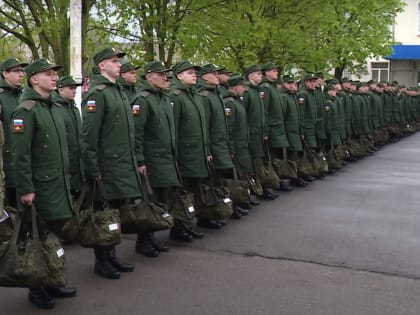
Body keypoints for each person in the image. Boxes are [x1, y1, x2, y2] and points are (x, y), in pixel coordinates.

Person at [11, 59, 76, 309]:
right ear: (34, 79)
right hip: (38, 189)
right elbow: (20, 155)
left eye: (54, 74)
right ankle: (36, 288)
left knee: (52, 236)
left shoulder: (53, 108)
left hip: (56, 184)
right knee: (36, 238)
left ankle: (52, 279)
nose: (54, 78)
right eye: (48, 74)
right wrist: (25, 189)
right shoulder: (26, 111)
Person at [81, 47, 141, 279]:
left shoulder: (118, 91)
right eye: (114, 61)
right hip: (106, 167)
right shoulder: (98, 93)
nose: (119, 65)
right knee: (102, 214)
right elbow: (88, 137)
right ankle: (101, 260)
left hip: (121, 165)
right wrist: (93, 169)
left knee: (114, 214)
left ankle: (112, 254)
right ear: (102, 66)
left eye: (119, 61)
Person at [132, 61, 200, 252]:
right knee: (150, 202)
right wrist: (140, 160)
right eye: (160, 74)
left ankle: (153, 237)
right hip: (152, 160)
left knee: (162, 199)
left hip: (166, 158)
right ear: (149, 76)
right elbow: (137, 133)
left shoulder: (163, 98)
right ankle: (143, 240)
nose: (165, 78)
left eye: (166, 75)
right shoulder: (143, 100)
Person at [169, 61, 217, 229]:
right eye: (189, 72)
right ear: (179, 75)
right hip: (185, 154)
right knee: (184, 192)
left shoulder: (196, 95)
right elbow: (173, 129)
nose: (194, 75)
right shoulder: (175, 96)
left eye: (194, 73)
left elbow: (203, 128)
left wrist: (207, 150)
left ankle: (193, 222)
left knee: (197, 189)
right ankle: (181, 227)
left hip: (198, 153)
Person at [242, 64, 278, 199]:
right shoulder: (247, 91)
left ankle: (259, 187)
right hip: (251, 134)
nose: (260, 76)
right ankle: (253, 190)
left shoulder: (256, 90)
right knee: (252, 163)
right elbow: (244, 115)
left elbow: (262, 114)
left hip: (259, 133)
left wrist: (265, 132)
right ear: (250, 75)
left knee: (258, 162)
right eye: (258, 74)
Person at [0, 58, 28, 207]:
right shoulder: (2, 97)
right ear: (5, 73)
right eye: (17, 71)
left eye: (22, 71)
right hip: (7, 164)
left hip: (23, 164)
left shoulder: (22, 96)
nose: (21, 74)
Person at [260, 62, 292, 192]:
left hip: (278, 128)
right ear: (266, 72)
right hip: (271, 129)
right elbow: (265, 111)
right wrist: (266, 131)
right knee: (270, 156)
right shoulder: (266, 88)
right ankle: (269, 184)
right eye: (273, 71)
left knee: (277, 155)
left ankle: (276, 180)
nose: (276, 73)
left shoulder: (273, 88)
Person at [52, 76, 84, 199]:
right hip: (65, 161)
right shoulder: (55, 108)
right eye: (70, 88)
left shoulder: (74, 108)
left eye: (75, 88)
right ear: (60, 90)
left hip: (77, 161)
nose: (74, 91)